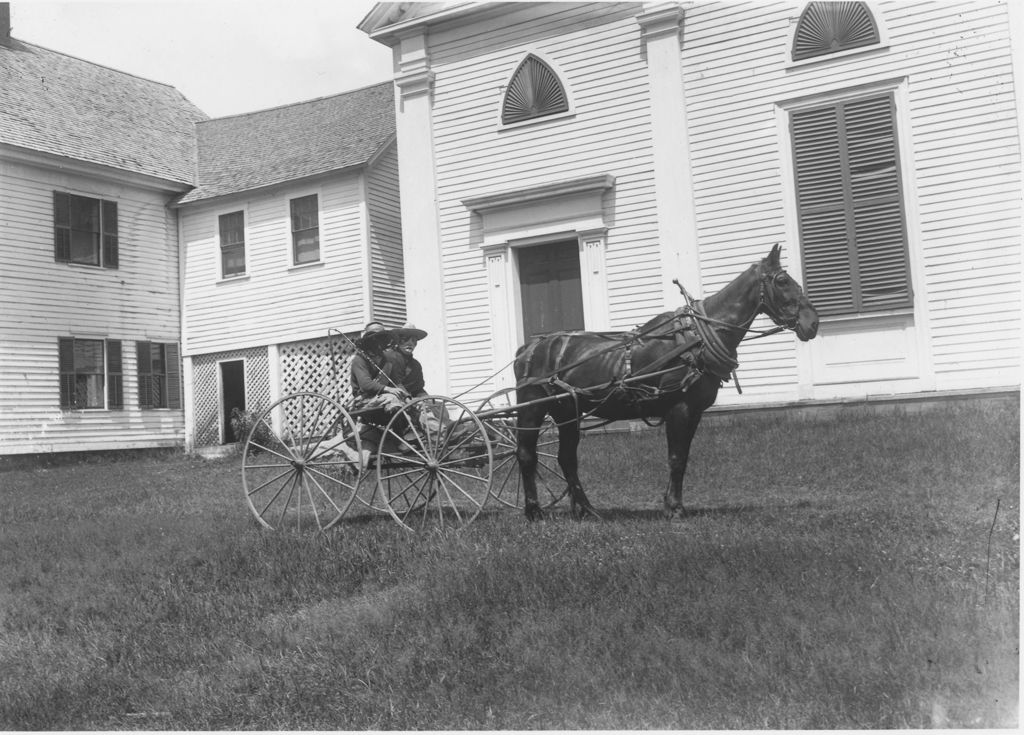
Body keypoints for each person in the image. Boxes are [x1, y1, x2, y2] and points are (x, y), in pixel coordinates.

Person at [350, 321, 407, 414]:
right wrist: (388, 389)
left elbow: (396, 382)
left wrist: (406, 396)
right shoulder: (360, 359)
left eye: (382, 339)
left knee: (413, 404)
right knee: (392, 398)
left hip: (382, 399)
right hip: (363, 401)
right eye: (375, 339)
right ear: (368, 342)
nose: (379, 343)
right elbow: (365, 385)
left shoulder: (386, 360)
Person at [387, 323, 429, 398]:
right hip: (393, 397)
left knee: (435, 405)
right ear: (398, 341)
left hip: (410, 399)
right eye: (405, 339)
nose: (410, 343)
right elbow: (395, 383)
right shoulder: (390, 357)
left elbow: (419, 389)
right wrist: (410, 401)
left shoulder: (416, 365)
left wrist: (429, 400)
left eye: (414, 340)